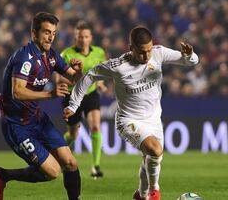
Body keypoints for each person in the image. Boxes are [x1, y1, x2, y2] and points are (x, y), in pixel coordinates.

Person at [63, 26, 199, 200]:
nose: (146, 56)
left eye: (149, 50)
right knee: (156, 151)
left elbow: (191, 62)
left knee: (152, 158)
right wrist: (73, 105)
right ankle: (154, 192)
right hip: (128, 120)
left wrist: (189, 55)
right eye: (142, 52)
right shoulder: (118, 66)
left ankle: (141, 195)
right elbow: (89, 77)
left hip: (154, 119)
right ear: (131, 48)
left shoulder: (158, 53)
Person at [0, 12, 83, 200]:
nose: (50, 37)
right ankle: (3, 175)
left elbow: (73, 77)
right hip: (17, 126)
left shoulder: (51, 56)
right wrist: (50, 94)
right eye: (46, 32)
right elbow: (17, 92)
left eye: (54, 33)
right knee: (53, 172)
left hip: (37, 119)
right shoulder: (25, 57)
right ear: (34, 33)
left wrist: (78, 71)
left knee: (71, 162)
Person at [57, 21, 107, 179]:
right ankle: (60, 157)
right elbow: (59, 80)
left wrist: (100, 83)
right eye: (80, 37)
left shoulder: (99, 52)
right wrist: (77, 79)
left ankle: (96, 166)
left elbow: (101, 72)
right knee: (73, 135)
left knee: (96, 127)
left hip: (91, 94)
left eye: (86, 37)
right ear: (75, 37)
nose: (83, 40)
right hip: (72, 97)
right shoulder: (66, 54)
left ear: (90, 37)